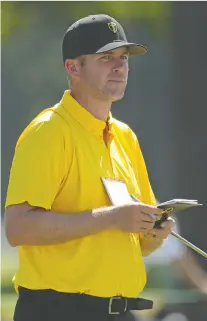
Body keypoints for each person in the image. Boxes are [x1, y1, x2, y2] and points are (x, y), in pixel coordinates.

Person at [4, 14, 175, 321]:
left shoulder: (125, 136)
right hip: (58, 312)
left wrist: (154, 232)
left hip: (120, 313)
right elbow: (18, 228)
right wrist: (109, 218)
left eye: (123, 58)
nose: (119, 66)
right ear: (73, 67)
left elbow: (136, 243)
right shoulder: (49, 132)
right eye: (105, 58)